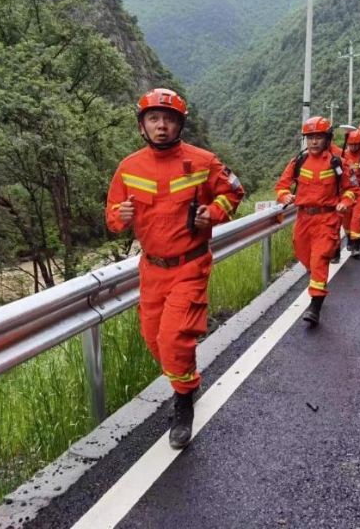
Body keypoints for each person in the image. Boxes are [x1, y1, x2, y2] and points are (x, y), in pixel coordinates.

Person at [106, 88, 245, 449]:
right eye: (154, 119)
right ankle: (187, 381)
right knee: (154, 340)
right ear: (142, 126)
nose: (162, 126)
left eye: (169, 119)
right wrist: (119, 218)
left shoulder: (202, 161)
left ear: (180, 124)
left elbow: (234, 192)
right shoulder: (128, 168)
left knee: (173, 338)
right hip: (151, 269)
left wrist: (212, 214)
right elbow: (113, 216)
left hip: (190, 264)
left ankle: (183, 402)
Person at [275, 116, 357, 325]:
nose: (313, 141)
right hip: (303, 219)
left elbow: (351, 190)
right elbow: (282, 186)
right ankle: (315, 277)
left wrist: (345, 203)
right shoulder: (299, 161)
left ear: (327, 138)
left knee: (319, 258)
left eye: (318, 137)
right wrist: (285, 196)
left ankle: (316, 305)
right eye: (310, 137)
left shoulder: (337, 163)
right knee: (303, 255)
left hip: (326, 219)